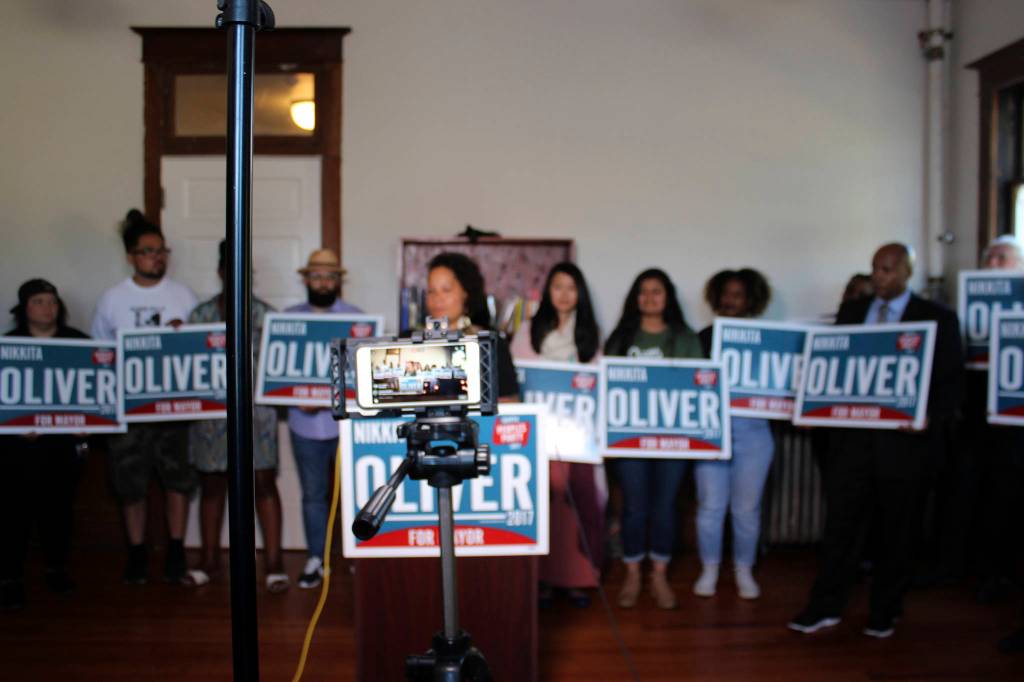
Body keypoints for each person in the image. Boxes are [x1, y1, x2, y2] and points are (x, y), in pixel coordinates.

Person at [788, 242, 963, 639]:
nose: (879, 277)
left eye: (887, 270)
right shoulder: (851, 313)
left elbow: (951, 384)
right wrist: (814, 410)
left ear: (906, 273)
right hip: (851, 444)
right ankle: (825, 605)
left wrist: (929, 419)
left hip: (904, 448)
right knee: (840, 527)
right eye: (874, 269)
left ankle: (885, 610)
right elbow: (830, 371)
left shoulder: (937, 319)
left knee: (897, 530)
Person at [91, 209, 198, 585]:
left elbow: (202, 349)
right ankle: (136, 552)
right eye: (149, 251)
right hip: (129, 410)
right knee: (130, 485)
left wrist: (184, 334)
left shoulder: (183, 295)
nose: (158, 257)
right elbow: (100, 357)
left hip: (174, 408)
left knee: (177, 482)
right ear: (131, 256)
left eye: (162, 250)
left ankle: (175, 549)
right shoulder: (112, 299)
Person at [185, 241, 287, 592]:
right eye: (230, 268)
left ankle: (274, 563)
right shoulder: (199, 317)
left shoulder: (267, 316)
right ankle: (210, 559)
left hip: (257, 416)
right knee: (212, 486)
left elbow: (281, 368)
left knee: (263, 483)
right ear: (220, 272)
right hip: (211, 416)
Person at [603, 268, 703, 610]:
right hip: (630, 439)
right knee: (634, 507)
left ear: (668, 296)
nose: (649, 297)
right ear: (635, 297)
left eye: (656, 290)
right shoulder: (621, 339)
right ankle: (633, 573)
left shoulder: (685, 337)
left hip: (674, 439)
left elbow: (699, 385)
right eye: (643, 290)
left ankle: (658, 574)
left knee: (665, 508)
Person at [511, 262, 606, 609]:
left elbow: (599, 385)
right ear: (547, 292)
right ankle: (543, 578)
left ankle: (580, 577)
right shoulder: (527, 331)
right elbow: (519, 380)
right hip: (540, 438)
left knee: (583, 504)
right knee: (545, 507)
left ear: (579, 293)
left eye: (571, 287)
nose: (564, 294)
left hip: (579, 438)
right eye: (557, 287)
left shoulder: (592, 335)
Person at [0, 280, 89, 610]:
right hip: (18, 451)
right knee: (14, 513)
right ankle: (10, 577)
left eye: (52, 301)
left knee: (59, 510)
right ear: (25, 308)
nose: (46, 307)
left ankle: (57, 569)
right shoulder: (8, 346)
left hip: (62, 448)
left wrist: (88, 426)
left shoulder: (78, 343)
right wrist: (13, 427)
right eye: (38, 301)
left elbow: (96, 392)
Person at [693, 268, 774, 599]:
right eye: (726, 294)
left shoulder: (768, 341)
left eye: (738, 295)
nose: (730, 300)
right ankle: (709, 569)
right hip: (711, 431)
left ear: (751, 300)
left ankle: (744, 570)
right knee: (710, 507)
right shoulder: (702, 337)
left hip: (754, 432)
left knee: (746, 510)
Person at [287, 249, 362, 589]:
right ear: (305, 279)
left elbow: (364, 375)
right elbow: (278, 374)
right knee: (312, 495)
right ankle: (316, 558)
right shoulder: (287, 321)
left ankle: (359, 556)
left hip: (345, 424)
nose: (322, 282)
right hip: (303, 425)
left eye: (328, 276)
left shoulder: (357, 320)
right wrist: (296, 395)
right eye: (315, 276)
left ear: (338, 281)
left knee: (355, 492)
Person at [422, 252, 519, 399]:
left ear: (466, 292)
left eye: (446, 290)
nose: (437, 298)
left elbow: (510, 402)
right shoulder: (408, 340)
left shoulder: (490, 342)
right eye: (431, 291)